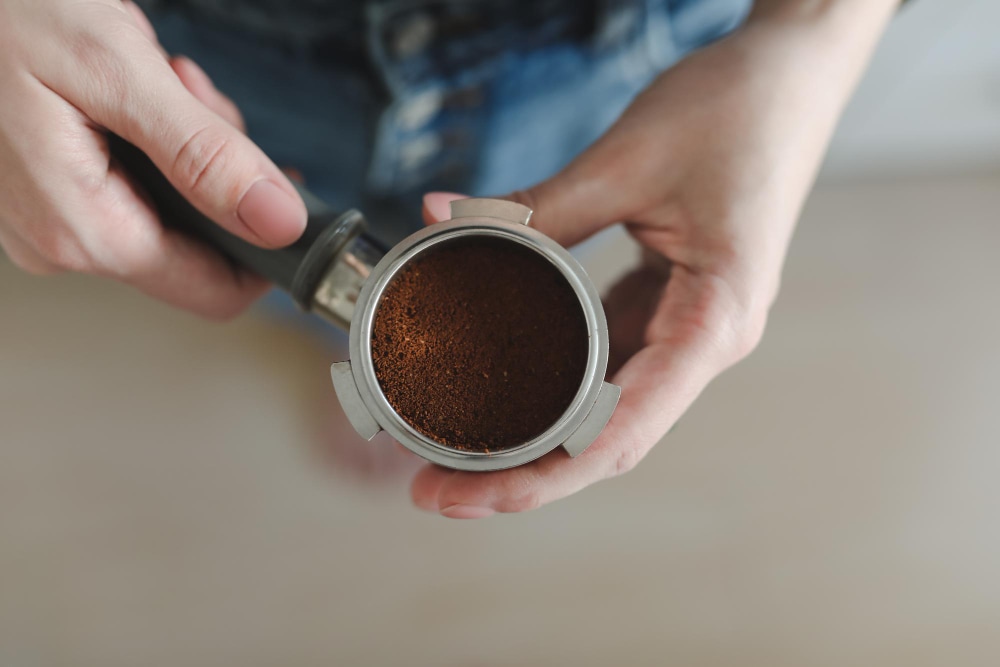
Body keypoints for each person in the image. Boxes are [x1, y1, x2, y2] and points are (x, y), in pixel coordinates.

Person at [0, 0, 903, 518]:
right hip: (234, 38)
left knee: (322, 237)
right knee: (261, 242)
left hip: (606, 44)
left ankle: (355, 347)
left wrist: (813, 35)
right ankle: (345, 346)